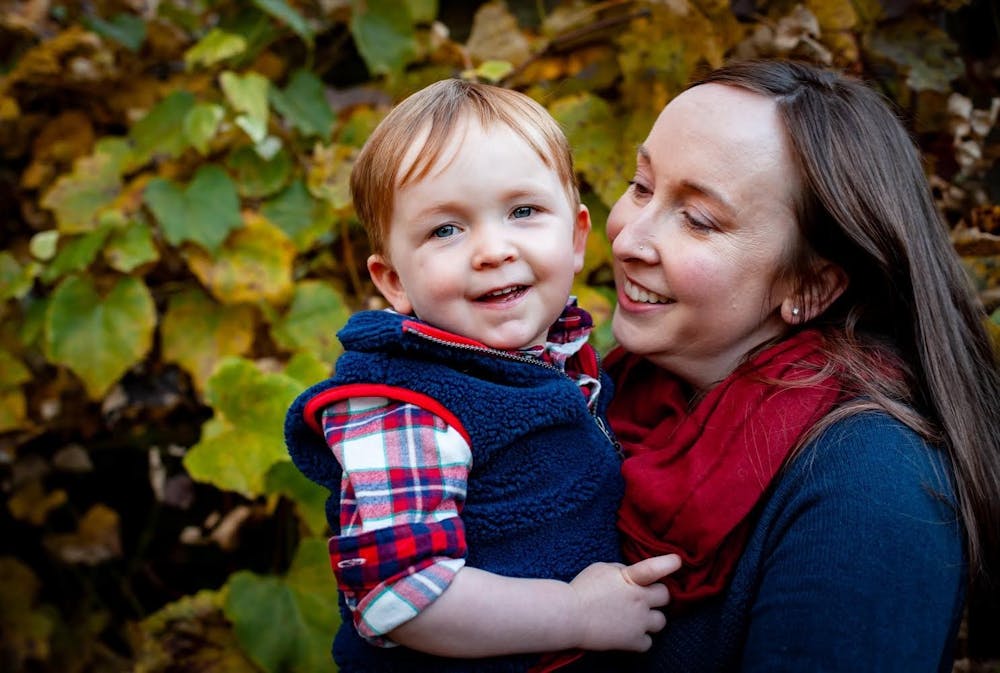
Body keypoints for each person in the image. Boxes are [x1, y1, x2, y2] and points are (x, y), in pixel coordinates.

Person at [603, 58, 1000, 672]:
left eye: (699, 219)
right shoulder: (602, 392)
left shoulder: (872, 487)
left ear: (811, 286)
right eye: (642, 186)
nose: (628, 239)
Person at [283, 78, 678, 673]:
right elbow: (398, 595)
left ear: (575, 239)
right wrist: (574, 612)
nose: (493, 249)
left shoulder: (557, 356)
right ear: (393, 281)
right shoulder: (407, 403)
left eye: (523, 212)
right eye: (445, 229)